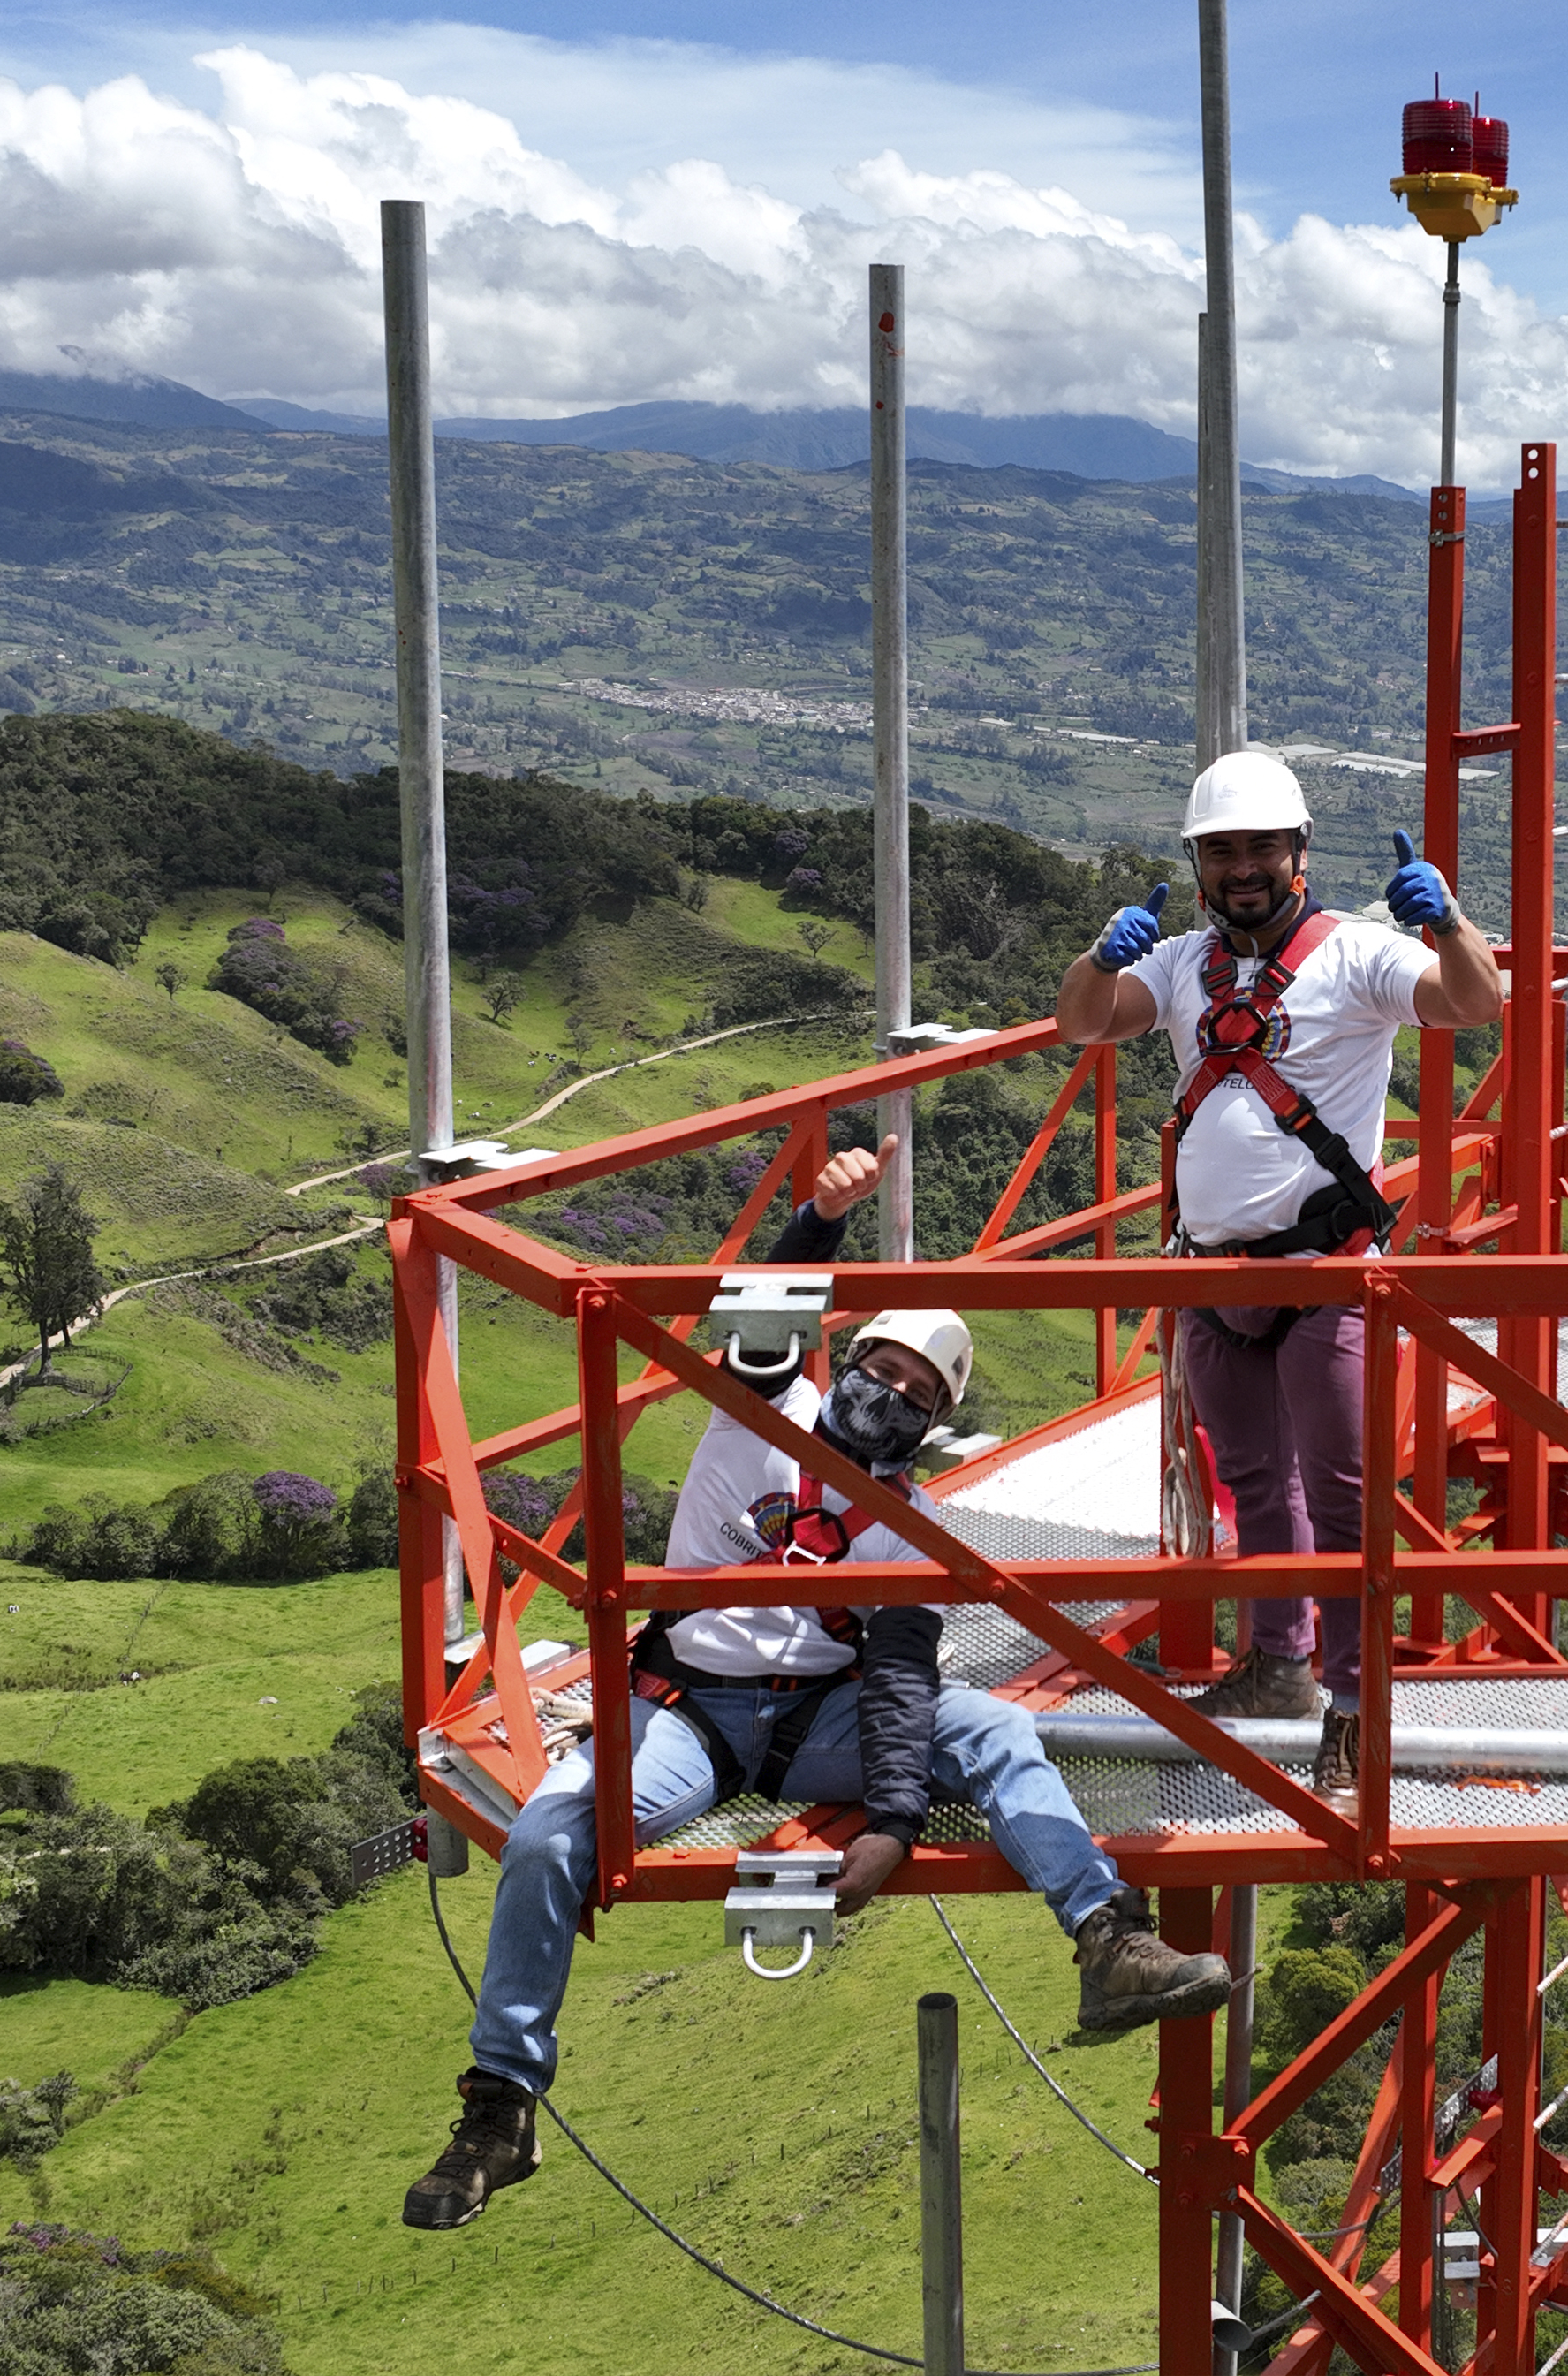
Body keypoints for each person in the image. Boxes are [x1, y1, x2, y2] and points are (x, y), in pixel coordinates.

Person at [403, 1137, 1235, 2233]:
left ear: (931, 1428)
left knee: (986, 1726)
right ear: (844, 1362)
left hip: (820, 1720)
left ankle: (1106, 1940)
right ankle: (501, 2105)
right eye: (879, 1368)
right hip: (688, 1711)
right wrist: (822, 1220)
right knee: (557, 1829)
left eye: (914, 1393)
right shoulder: (757, 1415)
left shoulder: (913, 1529)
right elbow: (758, 1320)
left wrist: (889, 1822)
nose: (887, 1394)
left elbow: (898, 1681)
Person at [1053, 750, 1507, 1790]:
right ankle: (1278, 1666)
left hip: (1326, 1269)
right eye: (1222, 850)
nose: (1243, 866)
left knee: (1342, 1497)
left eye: (1261, 846)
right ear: (1198, 864)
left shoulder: (1358, 953)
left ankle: (1354, 1703)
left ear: (1300, 850)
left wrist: (1448, 923)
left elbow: (1473, 1004)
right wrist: (1097, 956)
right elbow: (1082, 1021)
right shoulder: (1173, 965)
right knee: (1253, 1481)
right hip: (1210, 1277)